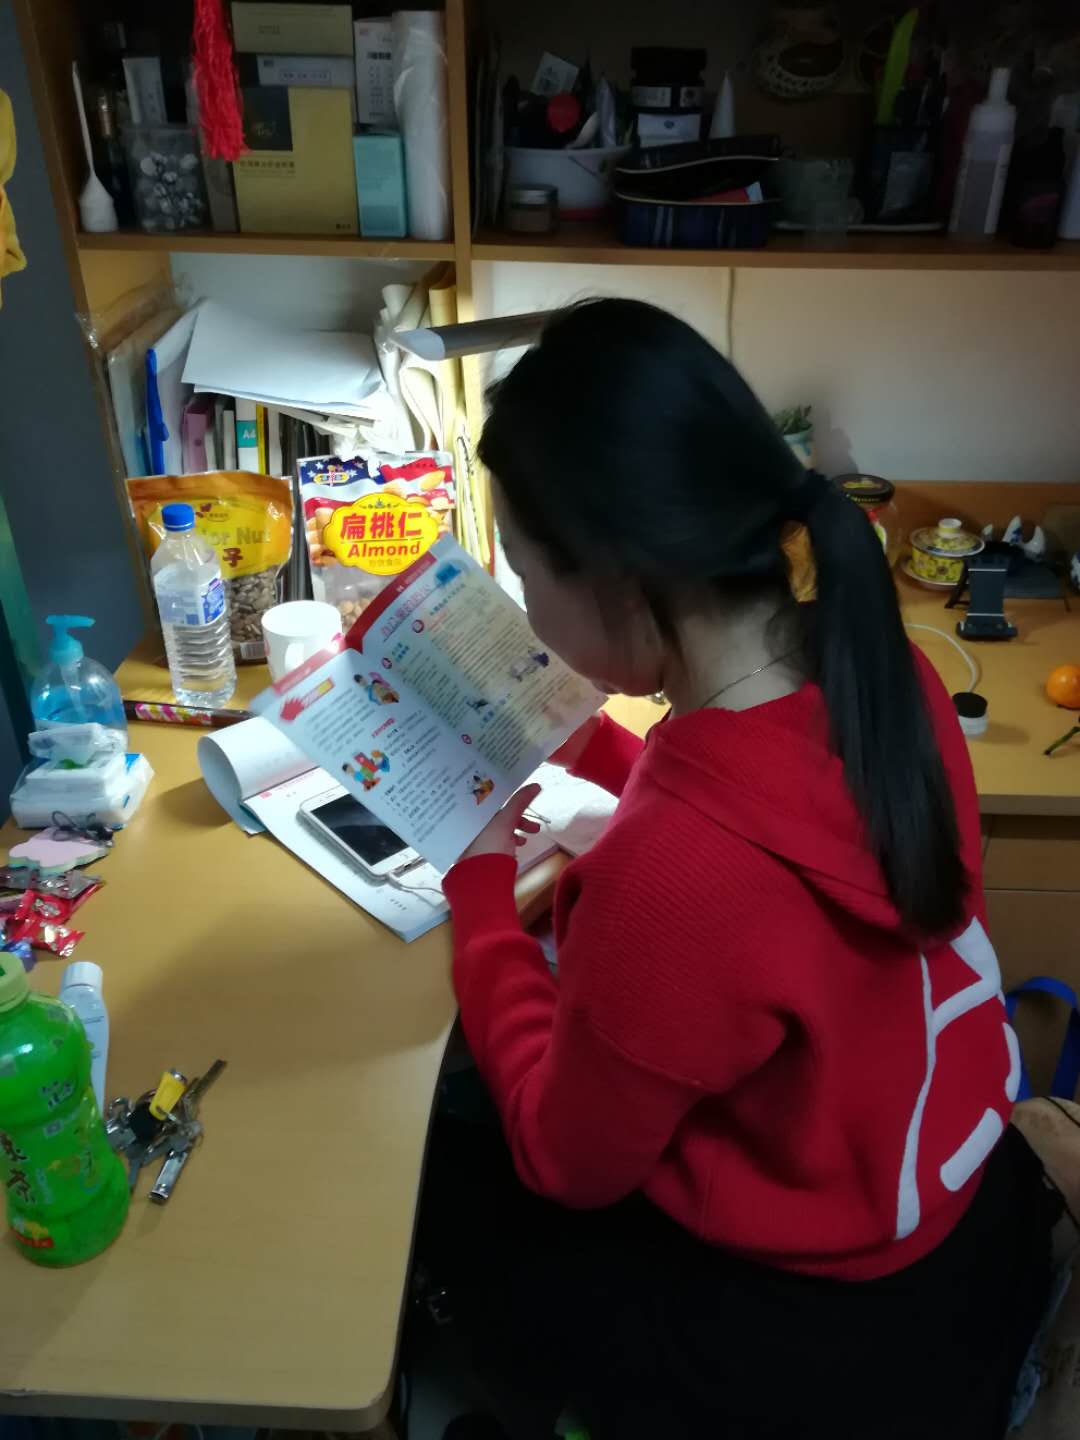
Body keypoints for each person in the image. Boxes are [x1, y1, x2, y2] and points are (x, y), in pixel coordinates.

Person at [416, 300, 1055, 1440]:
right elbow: (772, 841)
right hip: (954, 1219)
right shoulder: (881, 670)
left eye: (524, 572)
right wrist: (600, 746)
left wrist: (480, 900)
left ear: (619, 583)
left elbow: (567, 1156)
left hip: (821, 1338)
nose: (524, 608)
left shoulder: (671, 879)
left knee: (441, 1187)